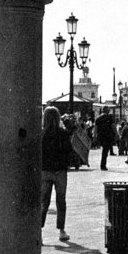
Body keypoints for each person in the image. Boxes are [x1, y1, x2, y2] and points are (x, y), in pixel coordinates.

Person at [41, 104, 72, 243]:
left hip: (45, 170)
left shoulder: (41, 134)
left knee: (43, 202)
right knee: (61, 201)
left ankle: (39, 230)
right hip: (60, 171)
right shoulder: (63, 133)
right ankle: (61, 230)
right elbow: (69, 151)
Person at [94, 105, 116, 170]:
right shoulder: (109, 118)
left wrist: (95, 137)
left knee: (104, 150)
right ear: (107, 110)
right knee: (105, 151)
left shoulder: (98, 118)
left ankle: (103, 164)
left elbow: (95, 128)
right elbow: (113, 127)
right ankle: (103, 165)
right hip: (108, 136)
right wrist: (117, 134)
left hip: (100, 136)